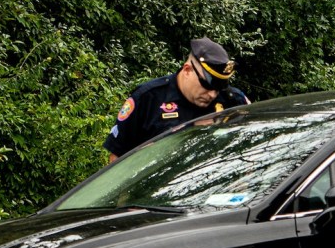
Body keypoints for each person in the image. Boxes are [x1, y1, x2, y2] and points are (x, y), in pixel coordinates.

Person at [104, 37, 250, 162]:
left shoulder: (233, 100)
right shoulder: (148, 98)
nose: (212, 94)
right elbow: (117, 158)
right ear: (187, 70)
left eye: (219, 88)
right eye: (206, 85)